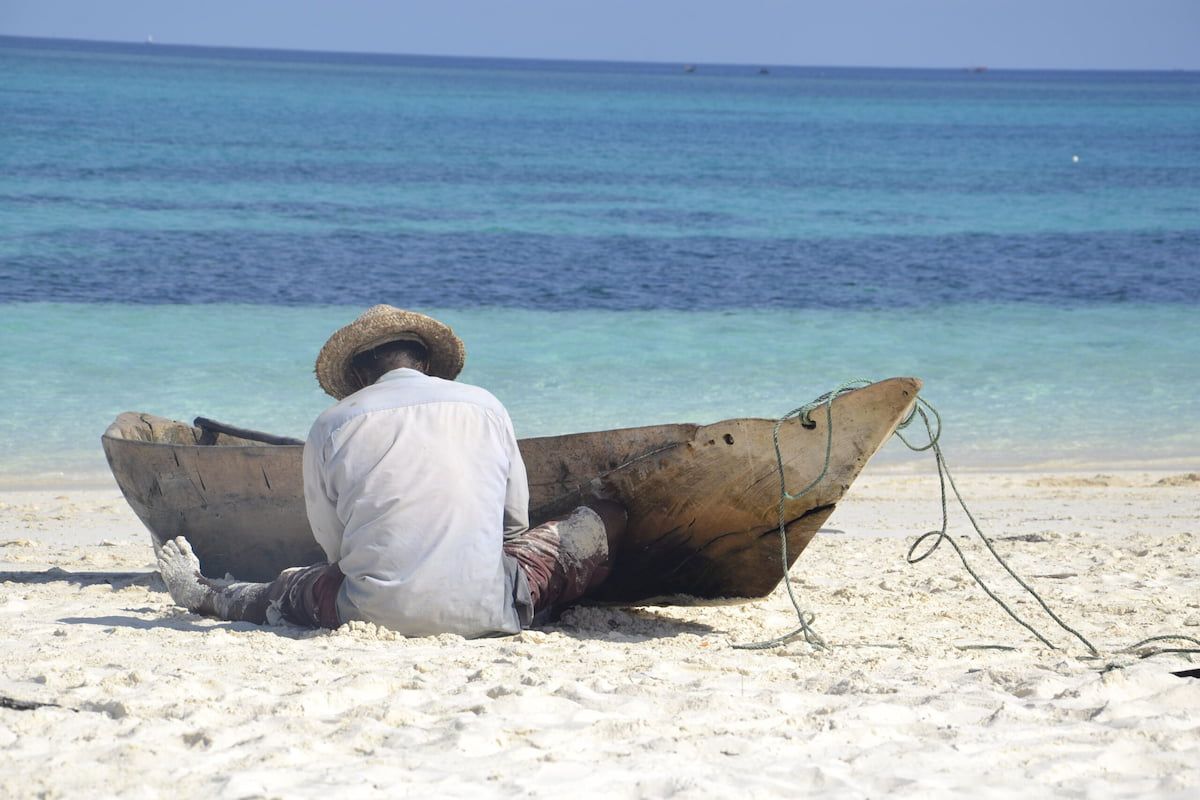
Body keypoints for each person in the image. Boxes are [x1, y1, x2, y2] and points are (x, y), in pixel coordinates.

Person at [156, 304, 626, 636]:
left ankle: (205, 594)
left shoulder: (333, 423)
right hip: (492, 608)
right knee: (603, 519)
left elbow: (336, 549)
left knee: (286, 589)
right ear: (425, 362)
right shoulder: (486, 406)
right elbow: (513, 523)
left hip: (372, 614)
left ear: (358, 376)